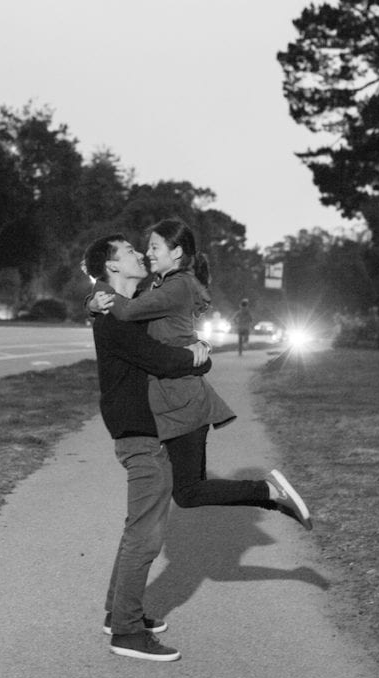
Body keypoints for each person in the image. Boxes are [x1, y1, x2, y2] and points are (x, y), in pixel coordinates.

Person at [88, 218, 312, 529]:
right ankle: (271, 493)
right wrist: (95, 302)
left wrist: (100, 299)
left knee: (189, 491)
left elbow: (126, 313)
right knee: (188, 492)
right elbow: (141, 318)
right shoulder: (159, 286)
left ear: (176, 252)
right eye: (144, 248)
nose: (145, 253)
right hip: (177, 399)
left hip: (183, 400)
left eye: (154, 247)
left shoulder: (176, 285)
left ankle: (270, 491)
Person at [82, 232, 212, 663]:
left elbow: (156, 318)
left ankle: (117, 611)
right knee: (146, 533)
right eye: (129, 253)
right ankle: (127, 631)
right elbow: (157, 357)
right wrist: (198, 357)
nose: (140, 254)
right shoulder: (114, 316)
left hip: (135, 426)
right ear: (112, 266)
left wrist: (93, 298)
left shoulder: (115, 305)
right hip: (138, 430)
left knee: (136, 526)